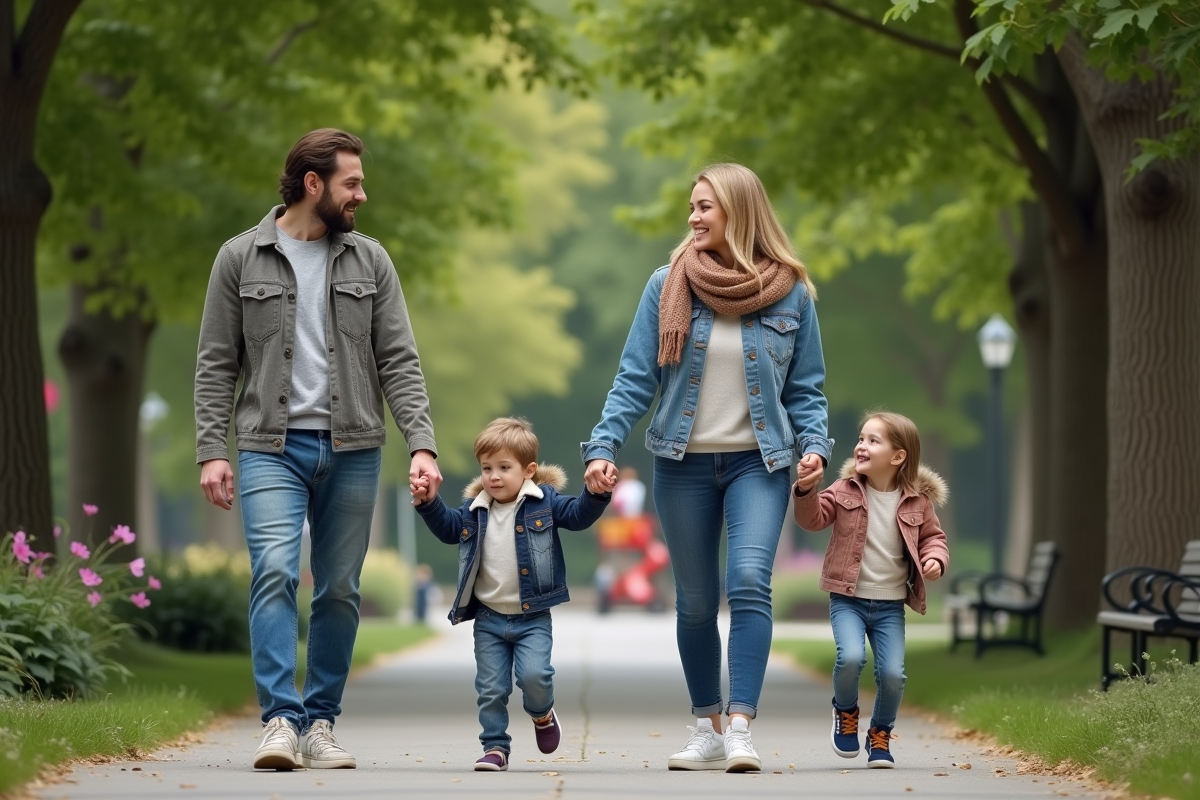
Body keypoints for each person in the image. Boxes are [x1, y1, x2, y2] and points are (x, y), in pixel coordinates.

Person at [194, 128, 442, 771]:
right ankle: (280, 719)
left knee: (338, 588)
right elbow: (216, 363)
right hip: (268, 446)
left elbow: (400, 361)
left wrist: (423, 445)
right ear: (314, 184)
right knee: (274, 571)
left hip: (354, 445)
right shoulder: (239, 258)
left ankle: (321, 722)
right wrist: (210, 449)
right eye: (352, 183)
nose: (363, 193)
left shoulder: (371, 261)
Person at [582, 163, 832, 773]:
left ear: (739, 212)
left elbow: (807, 388)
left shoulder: (791, 291)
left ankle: (741, 725)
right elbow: (636, 377)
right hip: (682, 464)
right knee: (695, 601)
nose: (693, 218)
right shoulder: (668, 284)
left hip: (760, 462)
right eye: (691, 208)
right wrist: (602, 446)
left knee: (748, 580)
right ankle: (707, 727)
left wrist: (816, 446)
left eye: (704, 207)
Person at [412, 417, 610, 771]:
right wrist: (429, 503)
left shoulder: (544, 502)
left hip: (532, 617)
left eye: (504, 467)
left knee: (535, 677)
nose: (494, 476)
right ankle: (495, 748)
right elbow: (448, 529)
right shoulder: (475, 510)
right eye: (487, 468)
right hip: (489, 618)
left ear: (529, 470)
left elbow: (578, 516)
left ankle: (542, 714)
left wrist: (596, 494)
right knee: (490, 688)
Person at [792, 410, 949, 768]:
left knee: (893, 675)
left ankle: (880, 733)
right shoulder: (844, 489)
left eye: (873, 441)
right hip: (847, 599)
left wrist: (935, 560)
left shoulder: (917, 502)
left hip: (890, 605)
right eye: (861, 438)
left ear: (898, 456)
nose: (861, 446)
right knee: (850, 658)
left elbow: (934, 539)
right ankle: (845, 712)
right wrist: (805, 489)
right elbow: (812, 519)